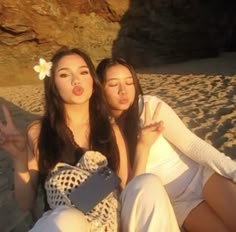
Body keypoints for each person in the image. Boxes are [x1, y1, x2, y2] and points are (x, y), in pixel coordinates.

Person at [0, 47, 180, 232]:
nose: (76, 79)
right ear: (53, 85)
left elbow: (129, 190)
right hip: (66, 225)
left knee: (148, 182)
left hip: (110, 223)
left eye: (83, 72)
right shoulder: (39, 132)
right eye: (64, 75)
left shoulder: (110, 129)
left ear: (92, 81)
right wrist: (20, 160)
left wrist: (143, 146)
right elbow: (25, 203)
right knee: (66, 216)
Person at [96, 57, 236, 232]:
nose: (123, 91)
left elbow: (192, 144)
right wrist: (143, 145)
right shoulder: (104, 134)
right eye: (113, 84)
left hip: (199, 177)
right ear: (100, 88)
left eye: (129, 82)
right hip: (178, 203)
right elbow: (132, 189)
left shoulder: (149, 106)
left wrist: (233, 171)